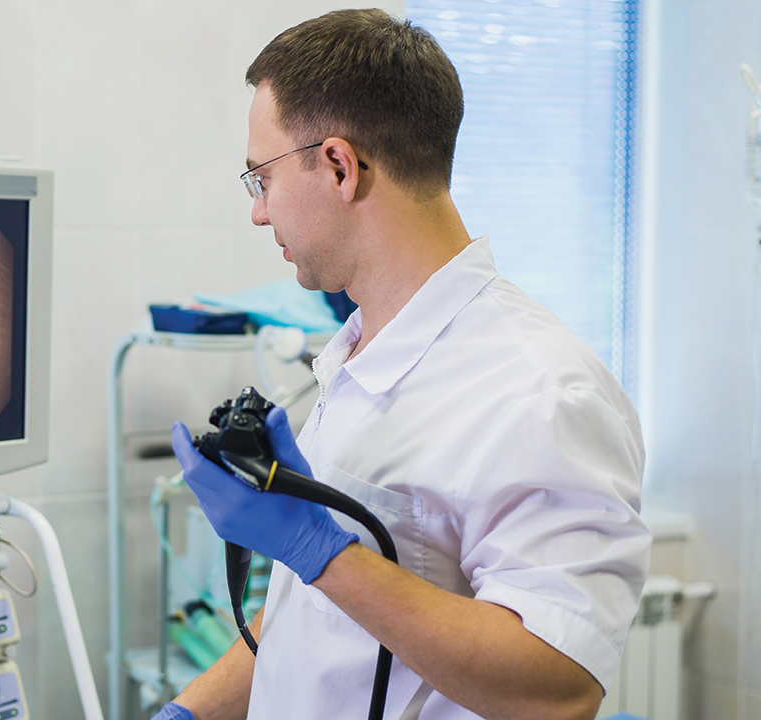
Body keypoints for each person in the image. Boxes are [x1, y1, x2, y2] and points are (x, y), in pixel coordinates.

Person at [156, 9, 651, 720]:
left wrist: (323, 552)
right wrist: (190, 712)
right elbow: (322, 611)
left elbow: (559, 687)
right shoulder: (360, 356)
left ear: (339, 166)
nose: (259, 213)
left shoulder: (540, 390)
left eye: (261, 178)